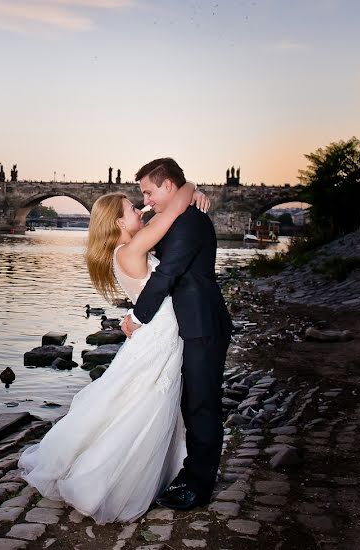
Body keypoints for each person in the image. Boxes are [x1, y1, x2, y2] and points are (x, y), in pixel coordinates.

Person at [19, 172, 209, 524]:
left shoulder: (126, 246)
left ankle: (154, 470)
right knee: (141, 405)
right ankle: (104, 481)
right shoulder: (132, 249)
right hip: (158, 336)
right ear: (119, 222)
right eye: (133, 208)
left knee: (142, 402)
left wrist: (184, 196)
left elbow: (165, 213)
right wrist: (191, 188)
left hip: (159, 334)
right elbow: (170, 211)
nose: (142, 209)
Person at [122, 158, 233, 511]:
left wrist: (138, 317)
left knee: (202, 404)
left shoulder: (189, 222)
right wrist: (192, 190)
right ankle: (189, 471)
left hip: (202, 323)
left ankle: (199, 487)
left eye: (149, 191)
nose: (146, 200)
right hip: (187, 325)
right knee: (190, 402)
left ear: (167, 186)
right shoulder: (173, 216)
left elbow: (166, 274)